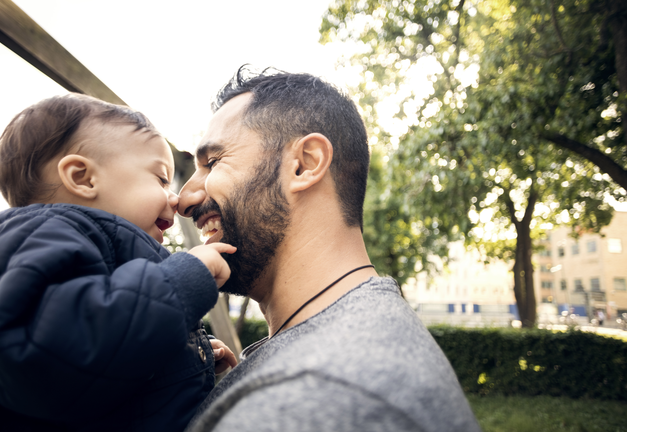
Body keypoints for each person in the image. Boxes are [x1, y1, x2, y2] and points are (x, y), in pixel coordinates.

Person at [178, 66, 481, 432]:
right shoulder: (334, 354)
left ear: (305, 164)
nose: (183, 199)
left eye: (213, 162)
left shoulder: (321, 395)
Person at [0, 93, 237, 431]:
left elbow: (103, 356)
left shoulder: (92, 248)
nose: (175, 199)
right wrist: (184, 278)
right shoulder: (39, 234)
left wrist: (181, 355)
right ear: (83, 178)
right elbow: (52, 354)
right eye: (161, 178)